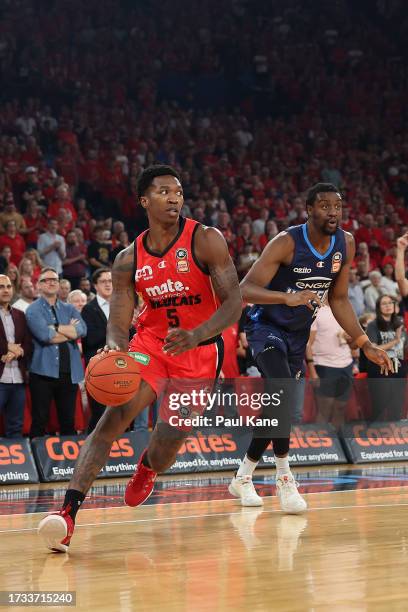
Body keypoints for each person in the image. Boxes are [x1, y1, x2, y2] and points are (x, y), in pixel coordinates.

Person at [38, 164, 241, 552]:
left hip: (199, 351)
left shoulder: (206, 239)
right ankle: (66, 514)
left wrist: (197, 334)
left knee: (168, 440)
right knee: (113, 418)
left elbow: (234, 303)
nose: (174, 198)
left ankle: (147, 467)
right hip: (152, 345)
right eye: (164, 192)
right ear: (144, 200)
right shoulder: (128, 259)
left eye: (178, 192)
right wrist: (115, 346)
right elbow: (118, 318)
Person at [228, 183, 392, 512]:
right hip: (265, 327)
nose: (332, 212)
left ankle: (243, 475)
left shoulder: (345, 243)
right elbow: (244, 289)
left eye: (338, 206)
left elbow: (341, 299)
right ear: (308, 209)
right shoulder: (286, 242)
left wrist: (365, 343)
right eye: (324, 206)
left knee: (277, 404)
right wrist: (286, 297)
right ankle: (285, 478)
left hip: (297, 336)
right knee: (283, 391)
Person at [25, 267, 87, 438]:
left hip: (69, 373)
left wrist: (57, 327)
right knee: (40, 420)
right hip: (43, 373)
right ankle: (38, 463)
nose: (51, 282)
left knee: (68, 421)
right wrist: (69, 331)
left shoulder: (70, 309)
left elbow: (82, 330)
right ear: (38, 285)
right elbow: (45, 336)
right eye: (46, 280)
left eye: (54, 279)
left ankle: (69, 463)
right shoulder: (33, 309)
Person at [306, 304, 354, 430]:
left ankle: (341, 446)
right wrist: (312, 371)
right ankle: (320, 445)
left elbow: (354, 342)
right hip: (324, 364)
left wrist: (350, 339)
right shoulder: (316, 311)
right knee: (324, 410)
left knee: (341, 408)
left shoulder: (345, 308)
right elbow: (308, 344)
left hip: (346, 364)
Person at [0, 275, 32, 437]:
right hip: (1, 379)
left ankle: (17, 462)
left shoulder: (20, 315)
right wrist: (7, 347)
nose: (5, 290)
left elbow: (28, 343)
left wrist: (16, 351)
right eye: (1, 287)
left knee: (16, 426)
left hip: (18, 379)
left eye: (8, 286)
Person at [81, 268, 112, 433]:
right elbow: (90, 338)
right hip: (97, 367)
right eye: (104, 281)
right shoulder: (88, 309)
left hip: (120, 366)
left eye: (110, 281)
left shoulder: (121, 305)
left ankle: (125, 449)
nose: (108, 284)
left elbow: (130, 335)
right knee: (99, 413)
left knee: (122, 412)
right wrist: (115, 328)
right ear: (95, 285)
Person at [366, 295, 407, 421]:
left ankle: (394, 438)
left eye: (390, 303)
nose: (388, 306)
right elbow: (373, 349)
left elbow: (403, 348)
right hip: (379, 368)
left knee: (397, 406)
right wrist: (395, 340)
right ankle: (374, 437)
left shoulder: (399, 324)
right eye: (384, 303)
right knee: (380, 406)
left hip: (398, 369)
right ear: (378, 307)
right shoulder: (373, 325)